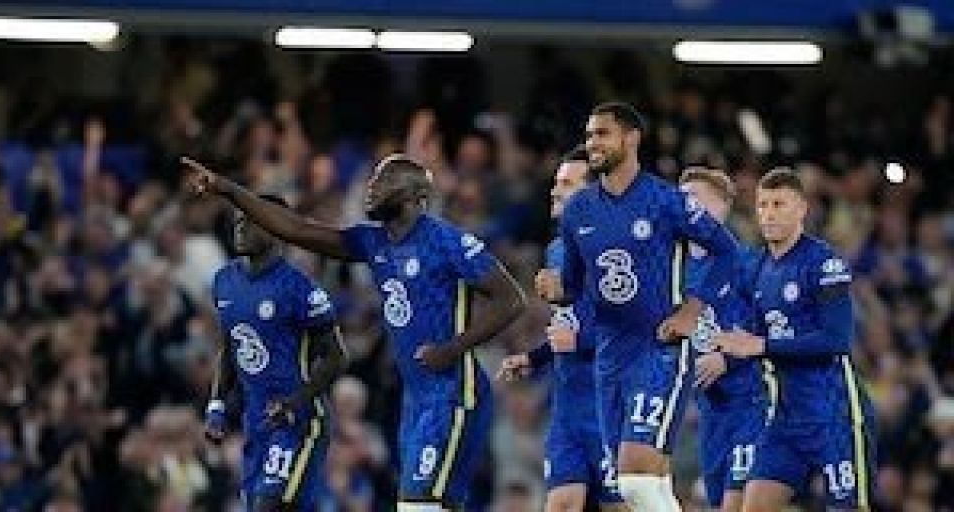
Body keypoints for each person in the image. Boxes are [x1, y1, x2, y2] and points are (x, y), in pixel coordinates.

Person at [185, 154, 526, 510]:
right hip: (415, 400)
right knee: (422, 505)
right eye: (371, 179)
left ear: (415, 194)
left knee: (422, 505)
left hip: (453, 394)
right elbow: (296, 230)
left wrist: (452, 349)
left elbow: (511, 299)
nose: (371, 187)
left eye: (384, 179)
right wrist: (226, 189)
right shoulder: (373, 243)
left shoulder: (445, 241)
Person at [536, 102, 739, 511]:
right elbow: (574, 286)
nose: (593, 143)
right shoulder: (578, 210)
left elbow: (726, 251)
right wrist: (557, 290)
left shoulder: (665, 200)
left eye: (602, 134)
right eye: (589, 135)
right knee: (646, 488)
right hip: (610, 356)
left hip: (658, 349)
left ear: (631, 139)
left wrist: (691, 312)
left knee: (636, 482)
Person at [713, 168, 876, 511]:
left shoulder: (824, 263)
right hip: (786, 421)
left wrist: (762, 346)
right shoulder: (756, 269)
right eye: (763, 205)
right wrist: (722, 356)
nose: (768, 214)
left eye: (779, 204)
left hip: (835, 416)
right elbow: (747, 337)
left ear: (802, 209)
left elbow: (836, 340)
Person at [499, 146, 625, 512]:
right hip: (568, 407)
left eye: (567, 184)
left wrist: (580, 341)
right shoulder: (556, 249)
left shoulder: (617, 253)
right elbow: (567, 326)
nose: (555, 190)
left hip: (608, 404)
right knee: (562, 505)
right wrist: (534, 357)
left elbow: (638, 328)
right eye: (557, 182)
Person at [204, 194, 348, 511]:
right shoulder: (224, 282)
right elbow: (232, 346)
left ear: (277, 228)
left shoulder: (301, 289)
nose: (240, 227)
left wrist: (294, 401)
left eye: (251, 220)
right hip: (255, 421)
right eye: (238, 219)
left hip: (298, 421)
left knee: (268, 506)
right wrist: (216, 405)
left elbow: (337, 356)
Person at [678, 167, 769, 512]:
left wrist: (727, 358)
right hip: (710, 410)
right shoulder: (675, 271)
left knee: (739, 503)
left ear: (720, 207)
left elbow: (773, 322)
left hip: (751, 401)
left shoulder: (747, 263)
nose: (682, 208)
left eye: (692, 199)